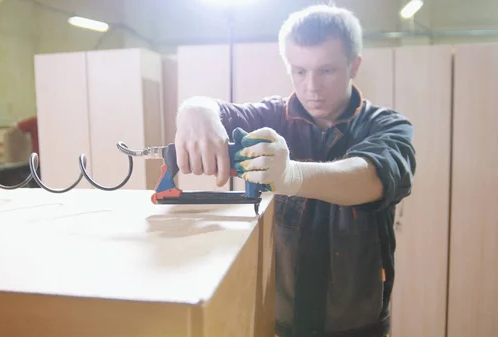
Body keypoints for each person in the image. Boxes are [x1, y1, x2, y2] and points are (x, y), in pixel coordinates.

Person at [174, 4, 416, 337]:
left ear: (354, 65)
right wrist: (194, 110)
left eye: (327, 70)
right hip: (279, 323)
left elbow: (371, 176)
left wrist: (292, 176)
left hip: (358, 327)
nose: (312, 86)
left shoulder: (387, 126)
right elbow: (217, 111)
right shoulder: (271, 116)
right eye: (299, 71)